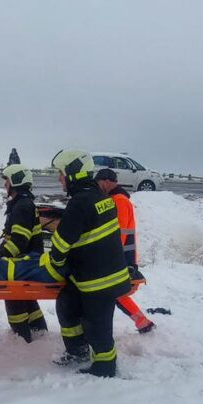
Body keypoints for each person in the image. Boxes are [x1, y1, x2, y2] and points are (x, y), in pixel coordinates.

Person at [48, 149, 132, 377]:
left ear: (73, 174)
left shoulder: (80, 203)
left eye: (61, 173)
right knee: (66, 304)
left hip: (99, 281)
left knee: (98, 326)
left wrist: (54, 264)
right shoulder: (100, 199)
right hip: (95, 274)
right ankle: (77, 351)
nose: (59, 178)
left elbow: (62, 244)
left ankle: (105, 367)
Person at [0, 164, 49, 342]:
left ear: (15, 182)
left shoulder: (22, 206)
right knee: (26, 297)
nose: (5, 185)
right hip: (28, 261)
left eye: (7, 180)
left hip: (22, 263)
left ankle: (21, 338)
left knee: (13, 296)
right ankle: (39, 331)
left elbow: (19, 241)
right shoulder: (23, 203)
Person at [95, 169, 154, 333]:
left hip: (120, 258)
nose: (98, 188)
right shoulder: (116, 199)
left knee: (112, 292)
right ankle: (143, 322)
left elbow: (118, 234)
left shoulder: (119, 201)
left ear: (106, 182)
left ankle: (143, 322)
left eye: (98, 184)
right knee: (115, 294)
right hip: (121, 257)